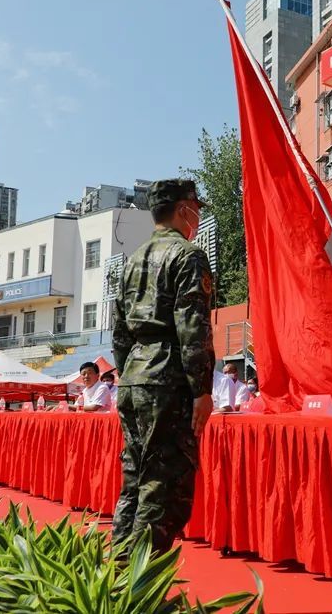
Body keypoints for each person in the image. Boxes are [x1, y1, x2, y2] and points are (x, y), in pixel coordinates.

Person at [111, 179, 215, 556]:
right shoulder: (188, 255)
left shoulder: (132, 261)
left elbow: (119, 331)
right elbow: (193, 327)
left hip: (134, 377)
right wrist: (202, 389)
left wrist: (129, 374)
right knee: (164, 487)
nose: (198, 216)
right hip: (167, 378)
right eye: (196, 208)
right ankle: (142, 577)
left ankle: (118, 570)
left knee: (134, 481)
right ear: (183, 209)